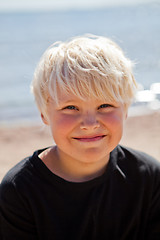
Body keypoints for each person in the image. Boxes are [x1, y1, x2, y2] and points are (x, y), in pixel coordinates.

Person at [0, 34, 160, 240]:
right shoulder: (18, 192)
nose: (90, 124)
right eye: (71, 107)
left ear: (126, 110)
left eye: (105, 105)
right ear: (44, 114)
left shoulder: (148, 177)